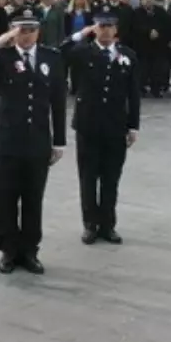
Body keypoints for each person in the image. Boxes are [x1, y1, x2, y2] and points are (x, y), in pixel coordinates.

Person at [0, 8, 67, 275]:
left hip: (38, 140)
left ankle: (30, 251)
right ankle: (9, 251)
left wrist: (59, 141)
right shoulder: (2, 57)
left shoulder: (51, 58)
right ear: (13, 32)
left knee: (34, 199)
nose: (27, 36)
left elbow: (58, 102)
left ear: (38, 32)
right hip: (7, 139)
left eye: (31, 30)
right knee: (7, 198)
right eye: (21, 30)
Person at [61, 12, 140, 245]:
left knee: (111, 177)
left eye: (110, 27)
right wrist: (79, 35)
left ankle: (108, 224)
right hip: (88, 123)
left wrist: (133, 126)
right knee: (88, 177)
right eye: (101, 26)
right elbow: (60, 53)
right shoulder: (83, 52)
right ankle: (90, 224)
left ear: (116, 30)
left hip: (116, 125)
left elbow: (133, 94)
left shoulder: (127, 55)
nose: (105, 31)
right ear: (94, 29)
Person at [132, 0, 169, 98]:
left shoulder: (161, 11)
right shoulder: (137, 12)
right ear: (141, 0)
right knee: (142, 68)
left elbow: (166, 24)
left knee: (157, 68)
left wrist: (158, 31)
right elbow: (135, 26)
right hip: (142, 45)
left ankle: (156, 89)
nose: (148, 0)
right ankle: (141, 89)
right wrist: (148, 31)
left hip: (157, 45)